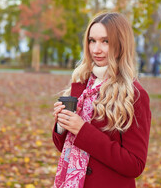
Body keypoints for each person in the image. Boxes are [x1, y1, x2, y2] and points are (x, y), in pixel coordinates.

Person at [52, 12, 151, 188]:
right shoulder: (81, 82)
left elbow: (135, 164)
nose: (96, 49)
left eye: (105, 41)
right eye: (92, 41)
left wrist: (82, 130)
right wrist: (62, 123)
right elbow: (66, 148)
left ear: (121, 44)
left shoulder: (134, 94)